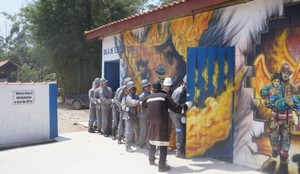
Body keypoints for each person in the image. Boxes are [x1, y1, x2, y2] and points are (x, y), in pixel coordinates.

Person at [142, 81, 192, 172]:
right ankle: (161, 166)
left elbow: (143, 106)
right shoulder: (164, 96)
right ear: (161, 87)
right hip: (162, 124)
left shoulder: (148, 97)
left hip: (151, 123)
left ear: (153, 88)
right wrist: (186, 106)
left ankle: (151, 160)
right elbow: (176, 108)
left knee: (152, 141)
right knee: (163, 144)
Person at [267, 63, 297, 164]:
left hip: (287, 120)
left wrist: (295, 107)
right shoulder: (274, 85)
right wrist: (269, 101)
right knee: (274, 138)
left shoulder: (293, 88)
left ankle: (284, 157)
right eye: (284, 72)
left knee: (286, 140)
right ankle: (275, 150)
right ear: (281, 73)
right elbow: (266, 98)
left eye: (287, 73)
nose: (285, 74)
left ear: (289, 74)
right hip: (275, 118)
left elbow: (297, 102)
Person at [169, 75, 187, 158]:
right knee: (180, 132)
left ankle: (182, 150)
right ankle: (179, 152)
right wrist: (184, 106)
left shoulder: (184, 91)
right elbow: (175, 107)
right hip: (175, 114)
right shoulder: (179, 92)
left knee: (183, 132)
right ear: (184, 83)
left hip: (180, 114)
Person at [122, 81, 140, 152]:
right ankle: (127, 146)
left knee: (137, 130)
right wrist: (139, 102)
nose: (134, 90)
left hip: (134, 116)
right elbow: (133, 102)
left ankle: (138, 142)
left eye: (135, 88)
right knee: (129, 132)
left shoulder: (136, 96)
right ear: (129, 90)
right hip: (129, 116)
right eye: (132, 89)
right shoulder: (128, 97)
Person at [137, 79, 151, 149]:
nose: (148, 87)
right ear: (144, 88)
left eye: (149, 86)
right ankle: (141, 143)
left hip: (149, 115)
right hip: (143, 116)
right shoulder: (141, 96)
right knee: (143, 130)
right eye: (146, 86)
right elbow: (141, 106)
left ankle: (148, 144)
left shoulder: (151, 94)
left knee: (149, 130)